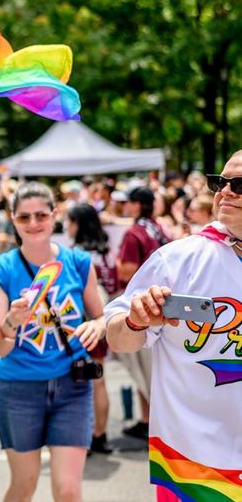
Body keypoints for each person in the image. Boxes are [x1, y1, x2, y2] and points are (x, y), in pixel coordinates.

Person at [104, 153, 242, 501]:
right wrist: (136, 320)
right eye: (219, 183)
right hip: (194, 461)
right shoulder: (177, 259)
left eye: (239, 185)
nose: (225, 192)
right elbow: (119, 340)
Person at [0, 181, 105, 502]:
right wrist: (12, 321)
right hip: (19, 388)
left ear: (55, 215)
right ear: (12, 219)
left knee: (68, 490)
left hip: (73, 386)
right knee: (24, 486)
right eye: (24, 217)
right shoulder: (2, 270)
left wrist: (98, 327)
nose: (34, 224)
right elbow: (0, 346)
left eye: (41, 215)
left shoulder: (78, 263)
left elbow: (102, 316)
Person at [115, 185, 170, 441]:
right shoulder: (160, 229)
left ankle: (148, 420)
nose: (126, 206)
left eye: (129, 202)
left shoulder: (134, 232)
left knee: (142, 371)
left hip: (141, 310)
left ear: (137, 205)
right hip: (166, 308)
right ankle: (151, 419)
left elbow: (127, 271)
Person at [65, 203, 118, 455]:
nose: (66, 226)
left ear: (77, 224)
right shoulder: (107, 251)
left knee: (83, 383)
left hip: (80, 325)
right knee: (99, 380)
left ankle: (85, 436)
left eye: (69, 221)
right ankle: (100, 434)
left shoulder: (75, 255)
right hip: (103, 321)